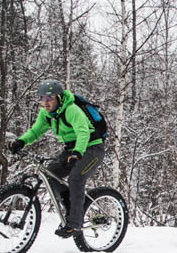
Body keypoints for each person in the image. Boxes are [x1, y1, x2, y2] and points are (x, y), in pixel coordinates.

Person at [9, 80, 105, 238]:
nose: (46, 103)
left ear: (59, 98)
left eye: (50, 98)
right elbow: (35, 131)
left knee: (76, 178)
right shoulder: (46, 114)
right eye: (43, 99)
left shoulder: (72, 110)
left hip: (92, 149)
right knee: (50, 174)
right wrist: (21, 141)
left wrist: (77, 153)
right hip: (71, 149)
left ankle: (74, 224)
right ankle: (71, 205)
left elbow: (83, 133)